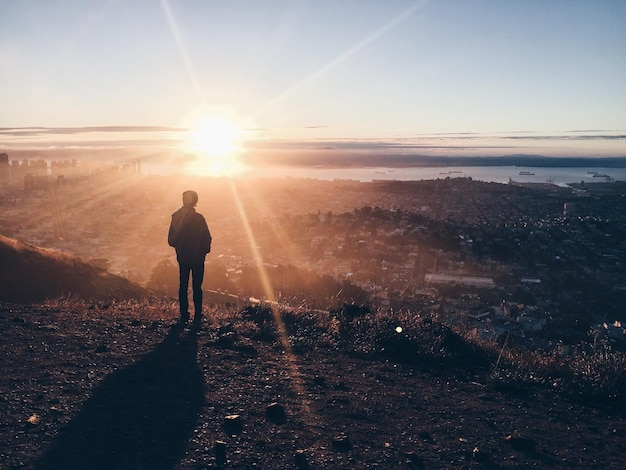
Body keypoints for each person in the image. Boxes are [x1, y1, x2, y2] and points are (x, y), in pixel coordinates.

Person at [168, 190, 212, 324]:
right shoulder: (199, 218)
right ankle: (198, 314)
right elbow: (207, 238)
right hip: (197, 258)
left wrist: (180, 247)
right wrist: (203, 251)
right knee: (197, 286)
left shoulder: (176, 216)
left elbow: (171, 240)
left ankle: (184, 314)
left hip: (183, 257)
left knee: (183, 285)